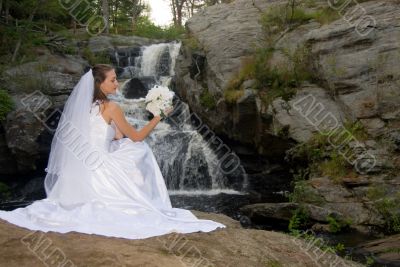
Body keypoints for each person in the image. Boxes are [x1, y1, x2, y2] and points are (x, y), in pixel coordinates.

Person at [0, 64, 225, 239]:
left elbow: (114, 136)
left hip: (78, 172)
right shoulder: (112, 107)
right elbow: (135, 137)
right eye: (113, 80)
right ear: (100, 84)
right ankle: (146, 196)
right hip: (100, 168)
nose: (117, 84)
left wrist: (121, 132)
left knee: (126, 146)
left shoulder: (82, 108)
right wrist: (158, 116)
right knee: (140, 148)